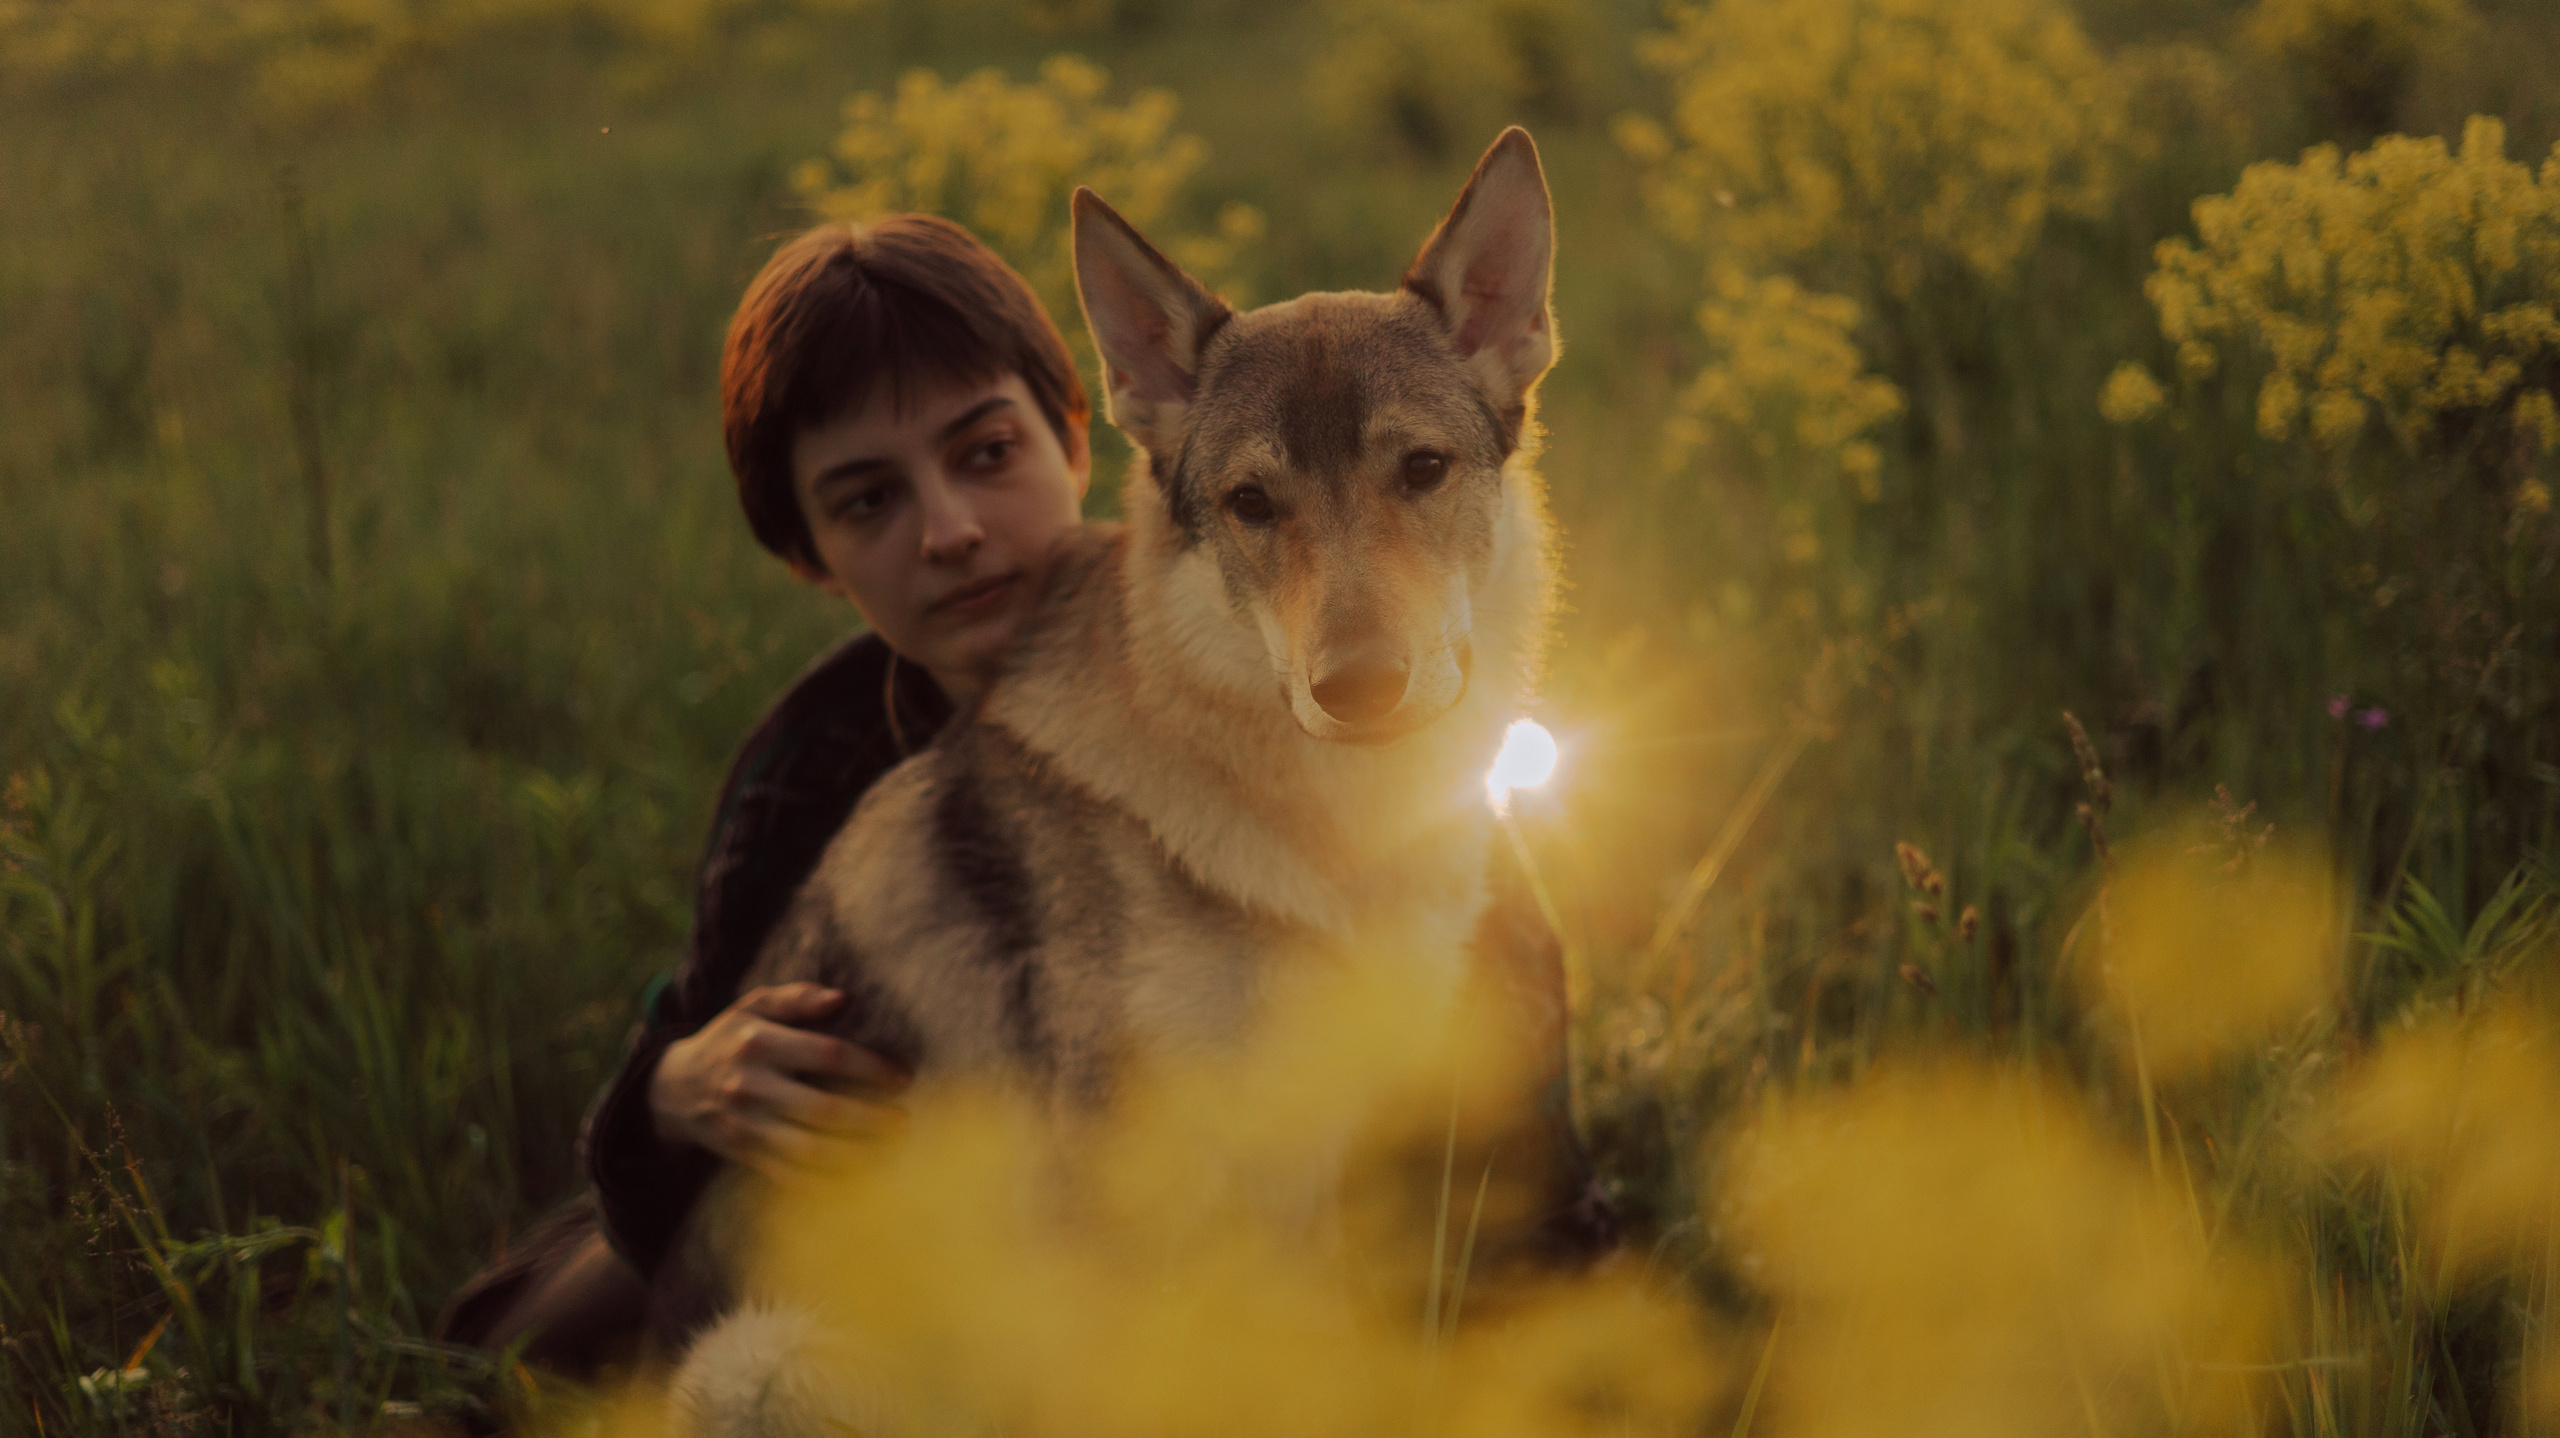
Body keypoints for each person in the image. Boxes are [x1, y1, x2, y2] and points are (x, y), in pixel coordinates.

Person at [433, 214, 1607, 1377]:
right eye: (866, 501)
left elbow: (1510, 1142)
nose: (949, 532)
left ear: (1081, 432)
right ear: (808, 547)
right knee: (520, 1344)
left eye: (985, 454)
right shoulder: (809, 762)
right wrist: (670, 1087)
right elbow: (716, 1036)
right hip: (860, 1306)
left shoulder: (1415, 758)